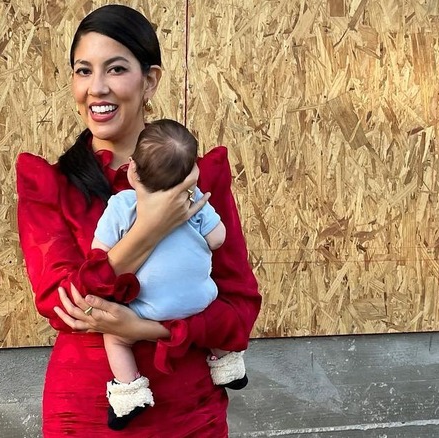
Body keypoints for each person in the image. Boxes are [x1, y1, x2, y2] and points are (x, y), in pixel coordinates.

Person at [15, 4, 261, 436]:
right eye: (83, 71)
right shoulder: (51, 186)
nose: (97, 88)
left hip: (190, 411)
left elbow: (238, 309)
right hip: (89, 411)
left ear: (150, 81)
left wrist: (143, 328)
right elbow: (64, 305)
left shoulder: (201, 180)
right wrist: (152, 227)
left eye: (115, 69)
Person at [91, 119, 249, 429]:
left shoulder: (122, 204)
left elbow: (99, 255)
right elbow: (218, 239)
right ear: (191, 173)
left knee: (115, 338)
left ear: (133, 169)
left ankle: (130, 392)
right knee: (212, 316)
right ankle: (228, 365)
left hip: (149, 308)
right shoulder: (196, 199)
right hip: (200, 299)